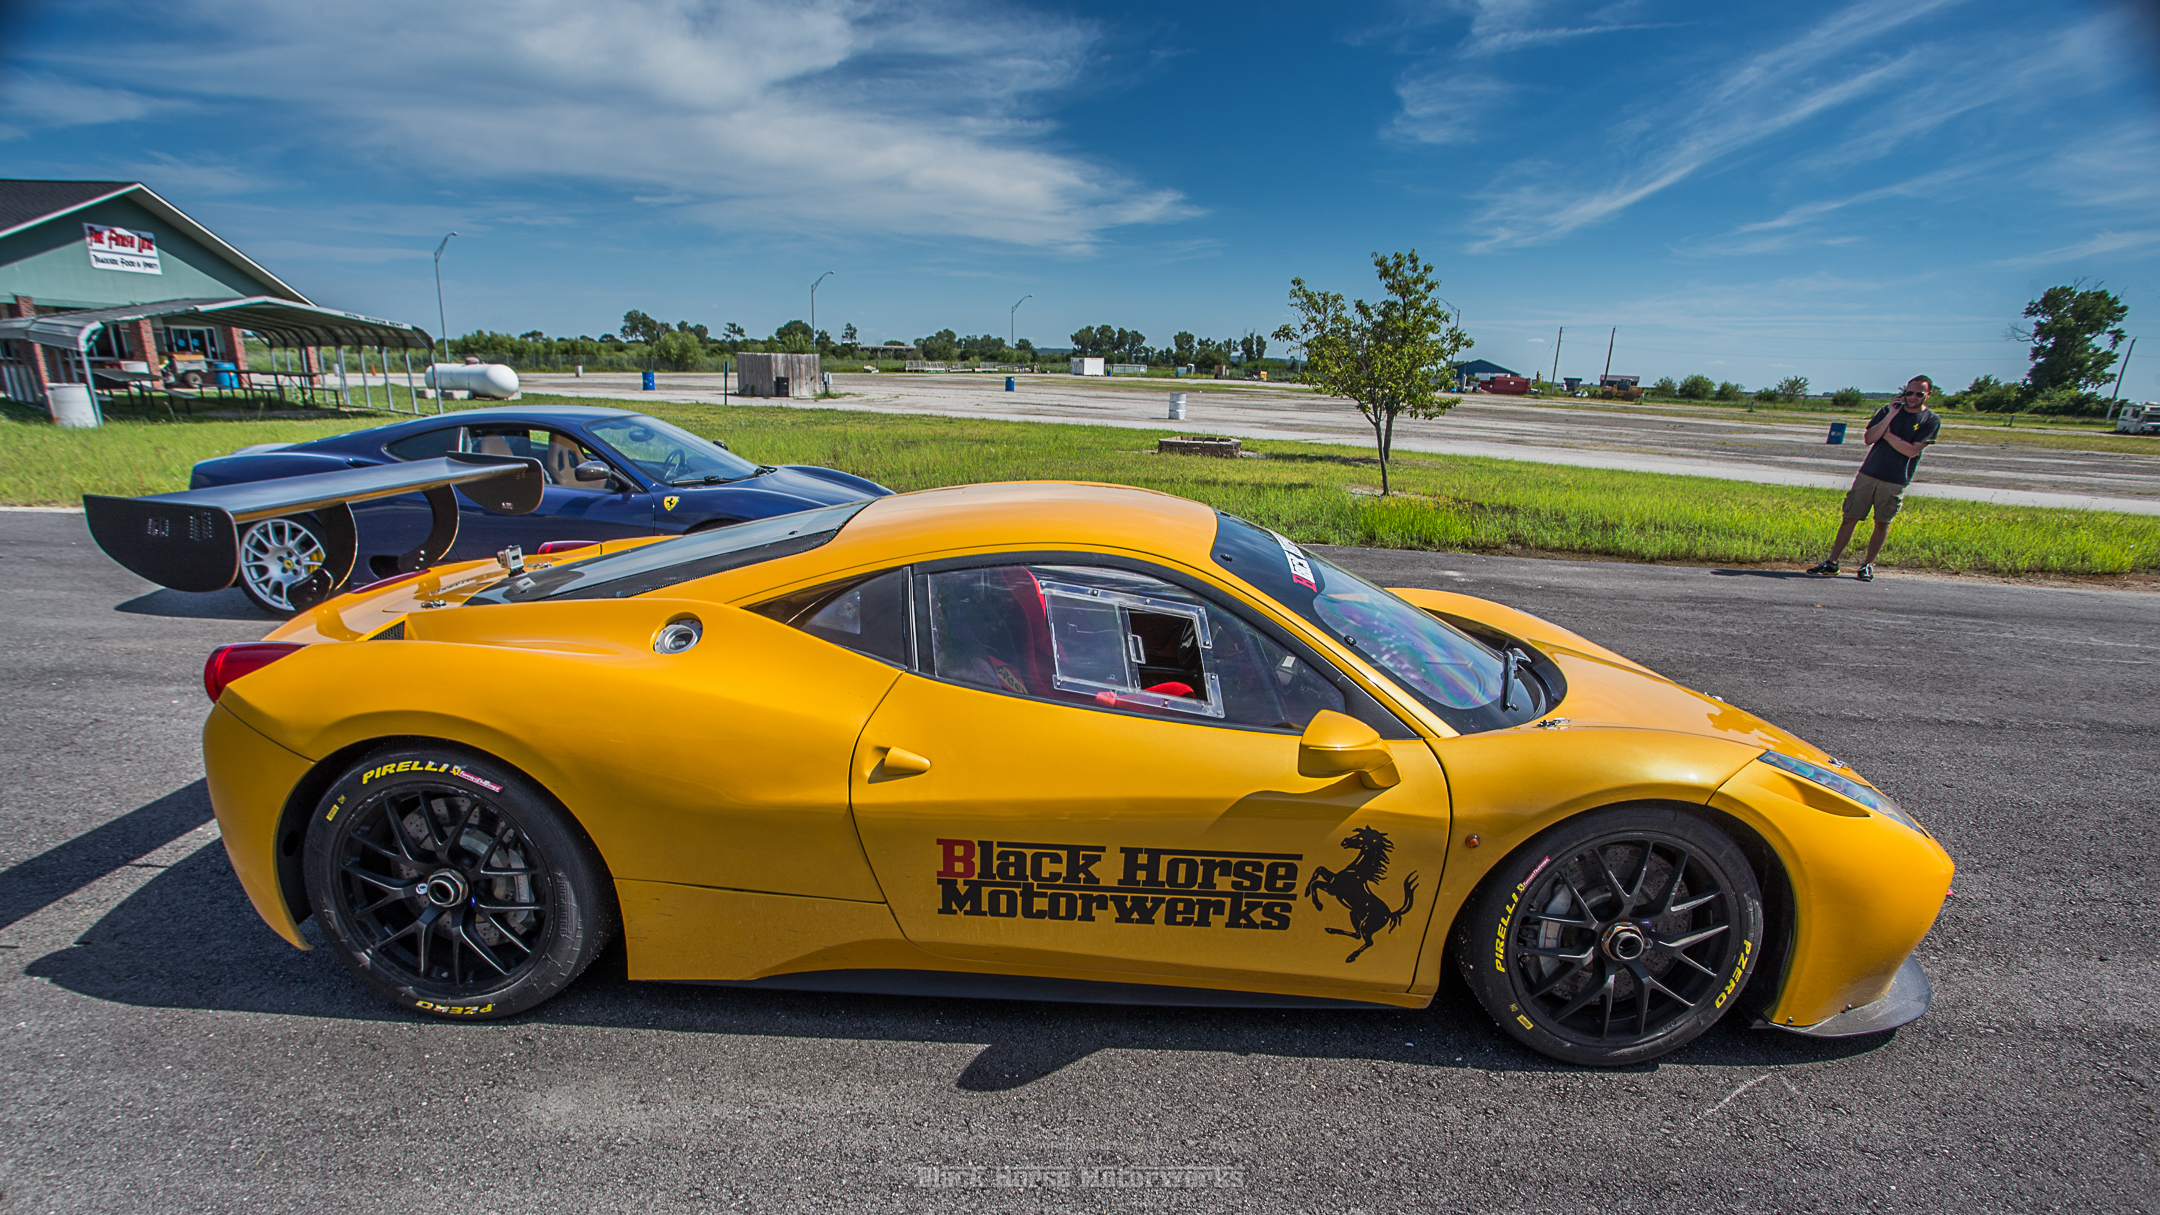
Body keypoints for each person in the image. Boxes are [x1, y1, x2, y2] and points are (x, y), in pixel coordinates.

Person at [1807, 376, 1940, 582]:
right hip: (1869, 473)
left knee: (1882, 522)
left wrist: (1886, 435)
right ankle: (1832, 562)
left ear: (1928, 395)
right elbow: (1869, 438)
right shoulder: (1888, 411)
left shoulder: (1930, 419)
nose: (1913, 397)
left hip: (1895, 478)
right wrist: (1891, 415)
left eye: (1919, 394)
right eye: (1909, 392)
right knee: (1849, 517)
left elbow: (1911, 450)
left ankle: (1867, 565)